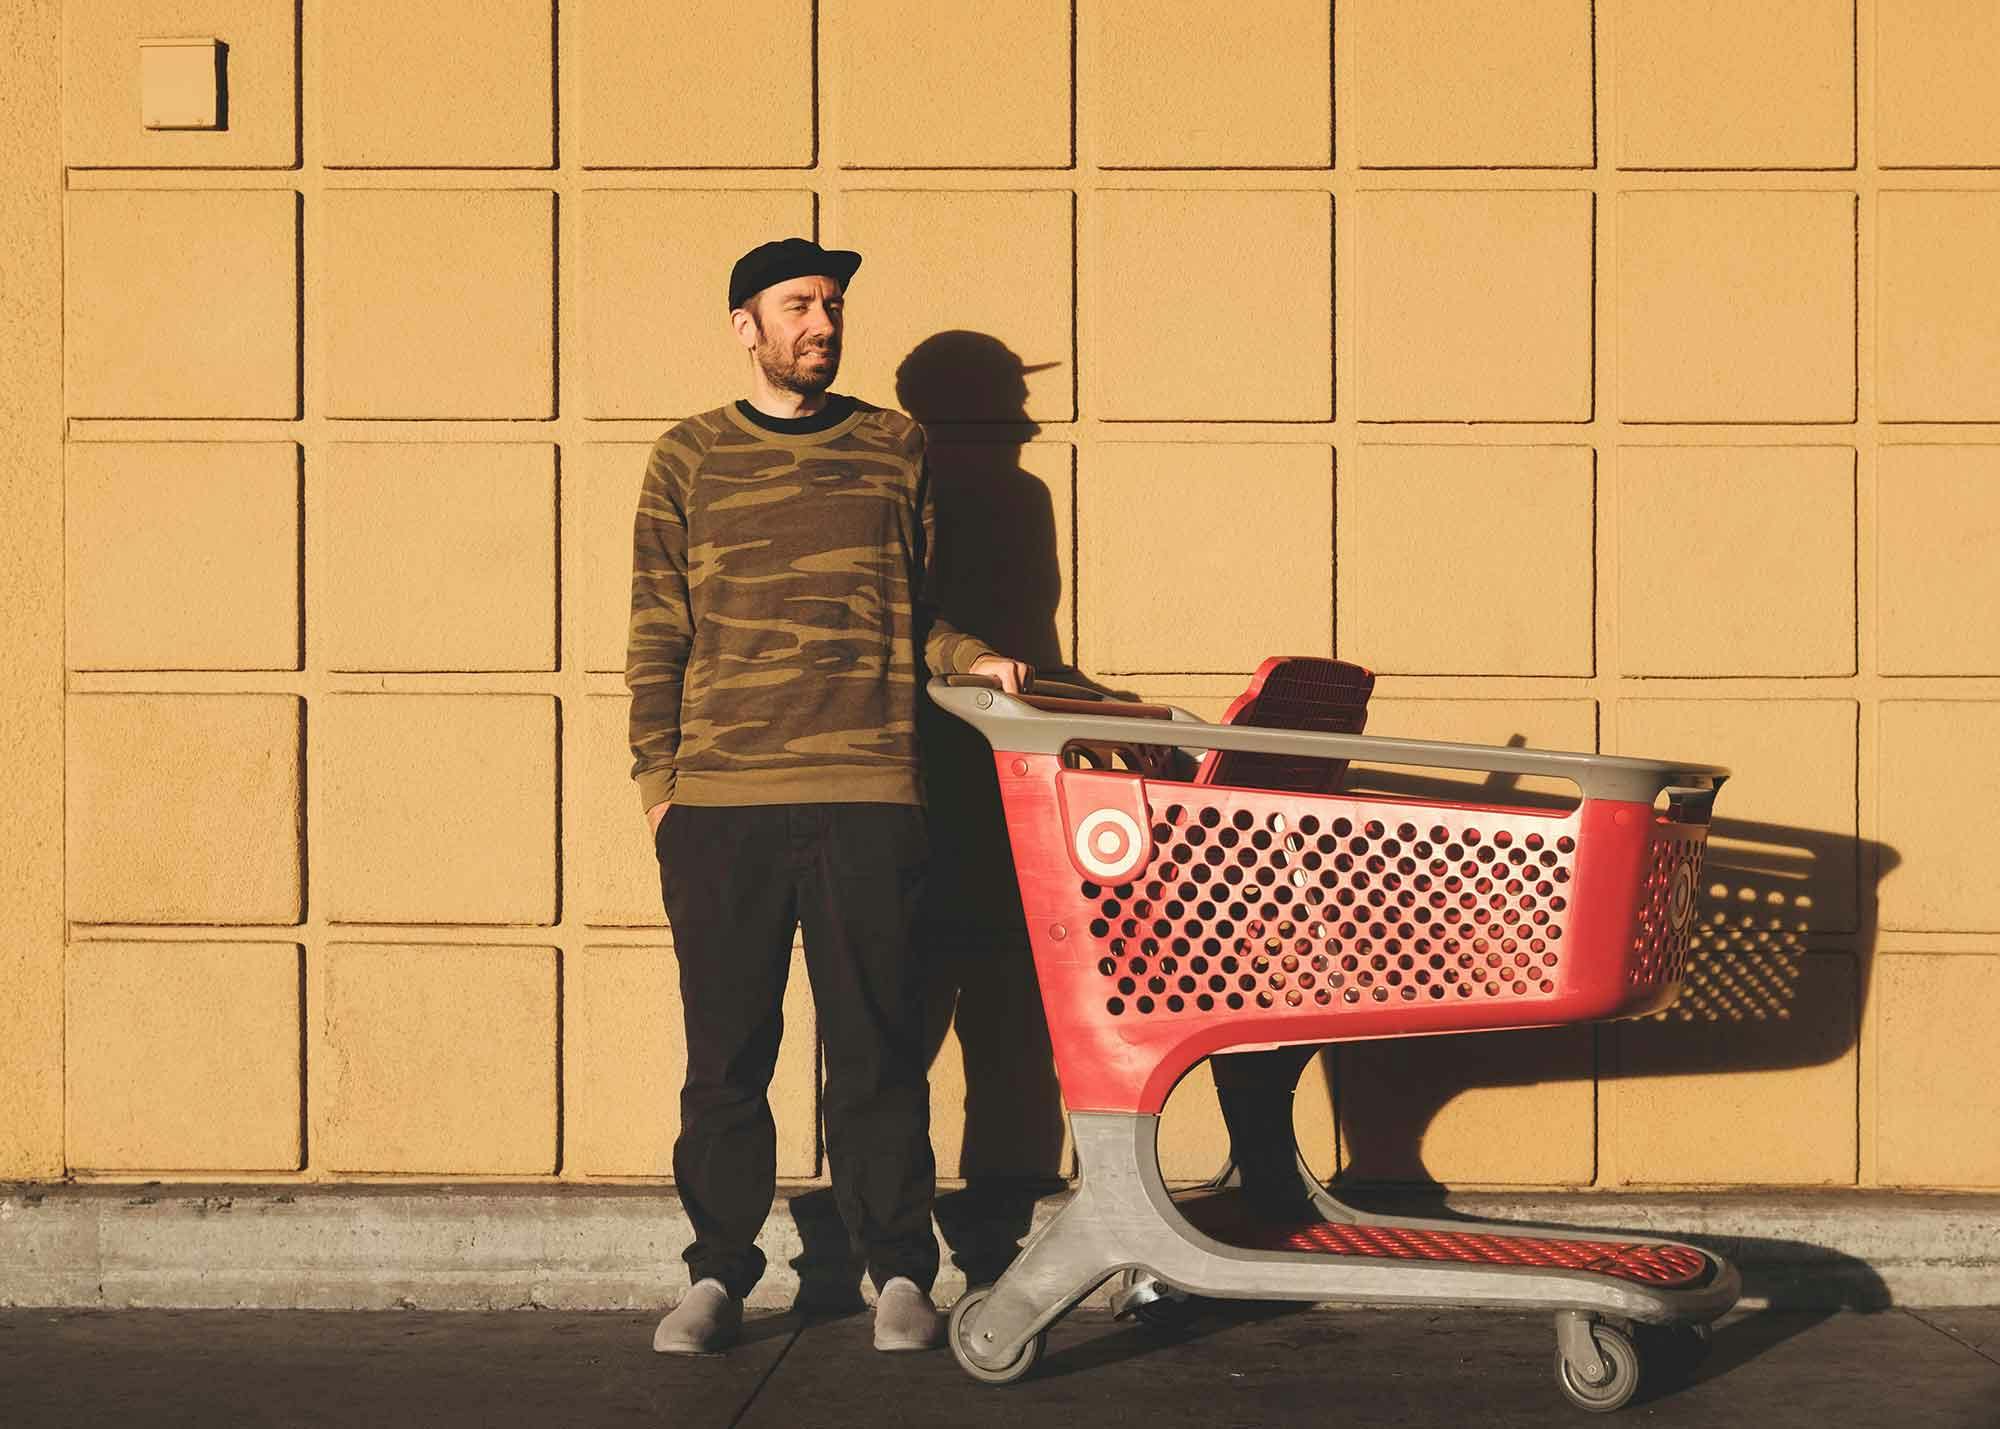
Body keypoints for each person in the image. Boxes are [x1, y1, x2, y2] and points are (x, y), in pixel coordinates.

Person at [626, 237, 1032, 1355]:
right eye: (799, 302)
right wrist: (662, 788)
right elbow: (657, 633)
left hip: (869, 793)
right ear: (743, 324)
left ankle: (899, 1268)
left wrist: (971, 658)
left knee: (876, 1049)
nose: (823, 320)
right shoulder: (687, 457)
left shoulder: (895, 448)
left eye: (835, 303)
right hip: (721, 806)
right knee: (726, 1061)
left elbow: (920, 610)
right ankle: (717, 1274)